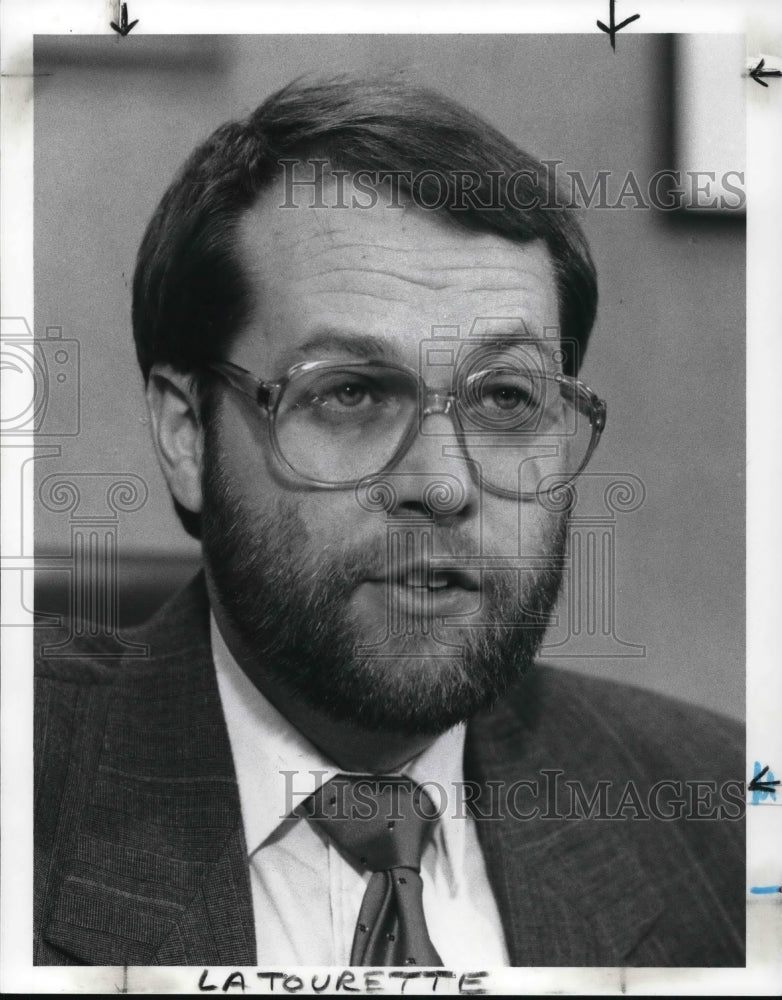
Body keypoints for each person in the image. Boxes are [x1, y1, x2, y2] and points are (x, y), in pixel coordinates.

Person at [34, 77, 744, 968]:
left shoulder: (722, 817)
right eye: (350, 393)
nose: (442, 484)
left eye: (506, 398)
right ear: (186, 432)